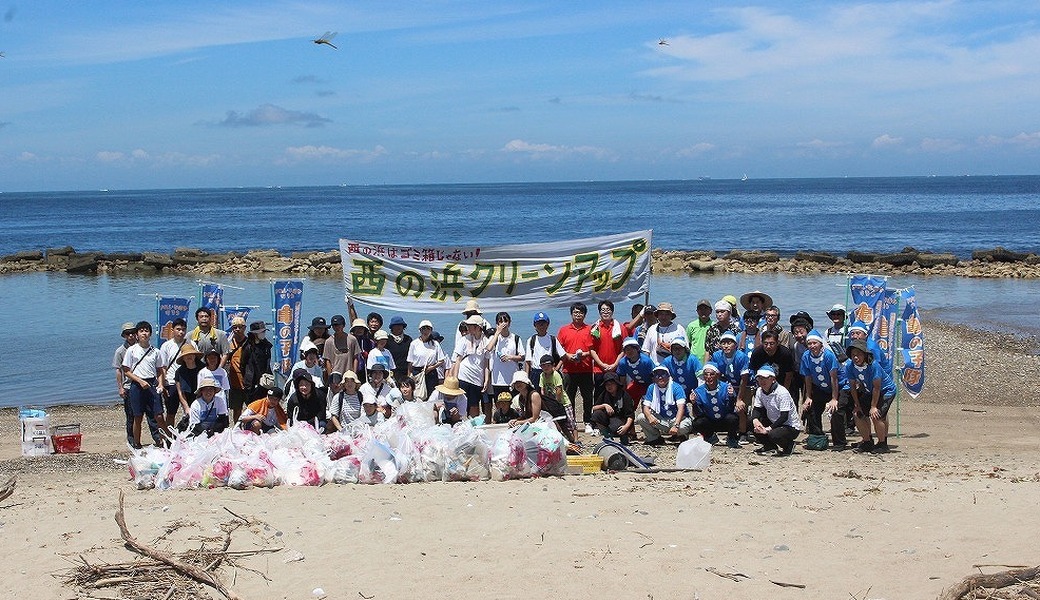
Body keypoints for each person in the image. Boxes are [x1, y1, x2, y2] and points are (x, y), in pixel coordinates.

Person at [844, 339, 897, 454]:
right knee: (857, 414)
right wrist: (857, 405)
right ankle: (867, 441)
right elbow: (852, 387)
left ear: (865, 354)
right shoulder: (849, 366)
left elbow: (877, 387)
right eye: (853, 355)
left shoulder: (873, 366)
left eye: (858, 355)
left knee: (876, 415)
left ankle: (882, 443)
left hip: (886, 391)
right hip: (869, 391)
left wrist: (873, 406)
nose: (856, 358)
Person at [122, 321, 168, 448]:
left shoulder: (156, 351)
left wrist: (161, 384)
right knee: (138, 416)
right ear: (137, 334)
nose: (144, 333)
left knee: (158, 415)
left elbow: (159, 370)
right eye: (141, 331)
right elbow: (126, 371)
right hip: (136, 385)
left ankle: (165, 440)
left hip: (152, 384)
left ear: (150, 334)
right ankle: (137, 443)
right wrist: (140, 381)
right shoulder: (132, 350)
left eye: (146, 331)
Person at [114, 321, 160, 446]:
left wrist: (160, 384)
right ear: (124, 335)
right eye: (127, 334)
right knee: (133, 416)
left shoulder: (152, 350)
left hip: (148, 384)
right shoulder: (121, 351)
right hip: (130, 386)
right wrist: (120, 388)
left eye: (132, 333)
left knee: (153, 415)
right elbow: (120, 370)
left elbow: (159, 368)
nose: (130, 336)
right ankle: (133, 440)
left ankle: (157, 438)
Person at [800, 330, 842, 447]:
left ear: (820, 344)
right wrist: (808, 397)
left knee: (835, 410)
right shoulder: (806, 356)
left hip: (837, 386)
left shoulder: (828, 355)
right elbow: (807, 377)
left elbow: (834, 378)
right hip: (820, 387)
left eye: (815, 343)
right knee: (811, 408)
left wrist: (834, 398)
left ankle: (839, 441)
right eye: (810, 343)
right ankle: (817, 437)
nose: (812, 346)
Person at [558, 302, 595, 431]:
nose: (578, 315)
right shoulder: (563, 330)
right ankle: (571, 421)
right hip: (569, 369)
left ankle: (588, 422)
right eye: (575, 312)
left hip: (585, 369)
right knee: (569, 397)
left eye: (580, 312)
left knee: (588, 397)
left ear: (584, 314)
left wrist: (584, 354)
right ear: (571, 314)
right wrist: (569, 356)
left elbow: (593, 349)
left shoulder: (590, 329)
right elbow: (560, 349)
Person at [750, 366, 802, 456]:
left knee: (773, 435)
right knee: (751, 421)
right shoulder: (759, 391)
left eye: (765, 378)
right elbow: (757, 409)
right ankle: (769, 446)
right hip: (774, 421)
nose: (762, 381)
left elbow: (784, 416)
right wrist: (755, 420)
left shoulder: (782, 392)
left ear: (773, 379)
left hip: (790, 426)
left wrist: (768, 429)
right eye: (759, 378)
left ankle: (788, 445)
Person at [635, 365, 692, 446]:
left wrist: (676, 425)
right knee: (641, 417)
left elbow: (681, 408)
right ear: (654, 378)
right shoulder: (652, 388)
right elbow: (645, 406)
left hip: (676, 419)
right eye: (657, 375)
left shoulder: (676, 387)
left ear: (668, 376)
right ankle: (654, 438)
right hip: (662, 419)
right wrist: (649, 416)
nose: (660, 378)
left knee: (682, 427)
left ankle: (681, 437)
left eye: (663, 375)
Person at [690, 363, 740, 448]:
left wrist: (731, 397)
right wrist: (694, 403)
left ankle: (731, 437)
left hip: (724, 420)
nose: (708, 377)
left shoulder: (726, 387)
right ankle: (710, 436)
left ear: (717, 375)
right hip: (710, 422)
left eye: (712, 374)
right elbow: (699, 413)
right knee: (698, 422)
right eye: (706, 374)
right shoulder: (698, 391)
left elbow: (730, 409)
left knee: (733, 418)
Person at [451, 314, 491, 417]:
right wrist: (455, 378)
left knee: (474, 405)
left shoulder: (486, 341)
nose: (468, 327)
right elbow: (458, 360)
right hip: (463, 376)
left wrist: (486, 380)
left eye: (470, 325)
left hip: (477, 378)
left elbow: (486, 363)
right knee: (461, 403)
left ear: (478, 327)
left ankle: (474, 428)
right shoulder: (464, 339)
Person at [510, 371, 569, 439]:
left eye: (520, 382)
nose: (518, 384)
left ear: (526, 383)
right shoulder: (521, 398)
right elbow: (525, 415)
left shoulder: (534, 395)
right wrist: (515, 420)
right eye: (516, 383)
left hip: (546, 425)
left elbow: (535, 418)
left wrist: (518, 422)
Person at [589, 300, 628, 398]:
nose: (605, 312)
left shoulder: (620, 328)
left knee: (616, 395)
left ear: (612, 311)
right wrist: (601, 365)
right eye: (603, 310)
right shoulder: (594, 328)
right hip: (599, 369)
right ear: (599, 312)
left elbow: (624, 349)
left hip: (616, 368)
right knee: (599, 395)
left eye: (608, 309)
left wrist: (615, 364)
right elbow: (592, 349)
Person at [486, 312, 526, 404]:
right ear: (497, 324)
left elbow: (522, 357)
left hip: (512, 379)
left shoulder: (515, 338)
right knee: (499, 405)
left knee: (514, 405)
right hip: (498, 380)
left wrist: (510, 357)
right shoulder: (494, 338)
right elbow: (489, 348)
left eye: (505, 321)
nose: (503, 323)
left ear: (509, 322)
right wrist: (497, 333)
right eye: (500, 321)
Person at [158, 318, 192, 424]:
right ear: (172, 330)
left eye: (183, 329)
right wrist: (162, 385)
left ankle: (190, 435)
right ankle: (169, 438)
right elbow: (162, 367)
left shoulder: (191, 344)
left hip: (188, 382)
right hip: (171, 382)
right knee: (171, 412)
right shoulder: (166, 346)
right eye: (178, 329)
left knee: (190, 409)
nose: (181, 332)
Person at [536, 354, 576, 441]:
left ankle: (575, 439)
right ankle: (566, 438)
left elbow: (559, 390)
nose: (545, 368)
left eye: (548, 365)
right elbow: (542, 389)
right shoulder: (542, 375)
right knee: (558, 421)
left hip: (563, 401)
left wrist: (557, 401)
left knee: (570, 421)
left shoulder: (556, 374)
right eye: (543, 366)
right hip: (552, 402)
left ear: (552, 365)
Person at [588, 372, 634, 444]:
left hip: (622, 422)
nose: (609, 386)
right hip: (609, 419)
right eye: (607, 384)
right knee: (596, 415)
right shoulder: (604, 394)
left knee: (616, 425)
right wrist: (604, 405)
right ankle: (608, 436)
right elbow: (594, 408)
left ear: (617, 384)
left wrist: (626, 426)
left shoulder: (625, 396)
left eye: (611, 384)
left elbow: (630, 415)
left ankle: (625, 437)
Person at [241, 320, 273, 416]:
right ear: (255, 334)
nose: (263, 334)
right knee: (253, 406)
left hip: (265, 380)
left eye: (264, 332)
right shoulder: (247, 347)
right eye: (261, 332)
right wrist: (248, 379)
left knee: (265, 404)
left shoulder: (266, 345)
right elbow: (243, 365)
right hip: (252, 382)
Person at [407, 320, 446, 399]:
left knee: (431, 395)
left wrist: (431, 368)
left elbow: (441, 360)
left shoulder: (435, 344)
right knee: (417, 395)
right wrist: (409, 376)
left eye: (428, 328)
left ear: (431, 330)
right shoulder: (414, 343)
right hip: (417, 372)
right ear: (420, 330)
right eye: (423, 328)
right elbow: (410, 362)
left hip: (431, 373)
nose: (425, 331)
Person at [525, 312, 565, 388]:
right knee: (536, 397)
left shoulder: (552, 339)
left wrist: (556, 369)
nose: (541, 326)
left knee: (551, 397)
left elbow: (563, 356)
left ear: (548, 324)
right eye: (539, 323)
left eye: (543, 323)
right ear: (535, 325)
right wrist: (527, 378)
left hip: (550, 372)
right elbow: (527, 361)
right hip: (535, 373)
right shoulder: (531, 340)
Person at [615, 337, 656, 404]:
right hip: (636, 383)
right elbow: (622, 380)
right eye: (627, 349)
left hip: (650, 384)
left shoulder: (646, 361)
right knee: (628, 399)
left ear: (637, 349)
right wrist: (623, 395)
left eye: (633, 349)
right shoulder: (622, 363)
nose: (630, 351)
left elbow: (654, 377)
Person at [224, 316, 250, 420]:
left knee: (251, 407)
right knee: (236, 409)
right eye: (235, 327)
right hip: (234, 382)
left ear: (244, 328)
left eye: (240, 327)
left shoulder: (249, 343)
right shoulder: (229, 344)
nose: (237, 330)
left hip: (248, 381)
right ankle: (236, 429)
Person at [323, 314, 361, 382]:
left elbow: (355, 358)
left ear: (343, 325)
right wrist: (330, 376)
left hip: (349, 373)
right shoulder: (329, 341)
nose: (336, 327)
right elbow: (327, 361)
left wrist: (354, 373)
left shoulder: (352, 339)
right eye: (334, 325)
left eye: (338, 325)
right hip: (335, 373)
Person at [172, 344, 203, 424]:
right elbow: (180, 392)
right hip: (188, 400)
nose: (189, 356)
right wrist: (186, 408)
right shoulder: (179, 372)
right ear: (183, 358)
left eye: (191, 354)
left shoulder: (203, 368)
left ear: (195, 355)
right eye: (186, 355)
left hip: (203, 400)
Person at [386, 316, 412, 383]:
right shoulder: (387, 339)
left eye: (400, 325)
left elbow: (411, 358)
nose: (398, 327)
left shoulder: (408, 339)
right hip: (391, 373)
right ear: (391, 327)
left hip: (405, 372)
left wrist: (409, 374)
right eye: (395, 325)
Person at [351, 317, 375, 383]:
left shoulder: (370, 342)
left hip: (365, 370)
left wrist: (368, 355)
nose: (359, 330)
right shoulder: (349, 341)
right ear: (353, 330)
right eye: (357, 328)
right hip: (351, 369)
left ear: (365, 330)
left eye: (361, 328)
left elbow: (373, 355)